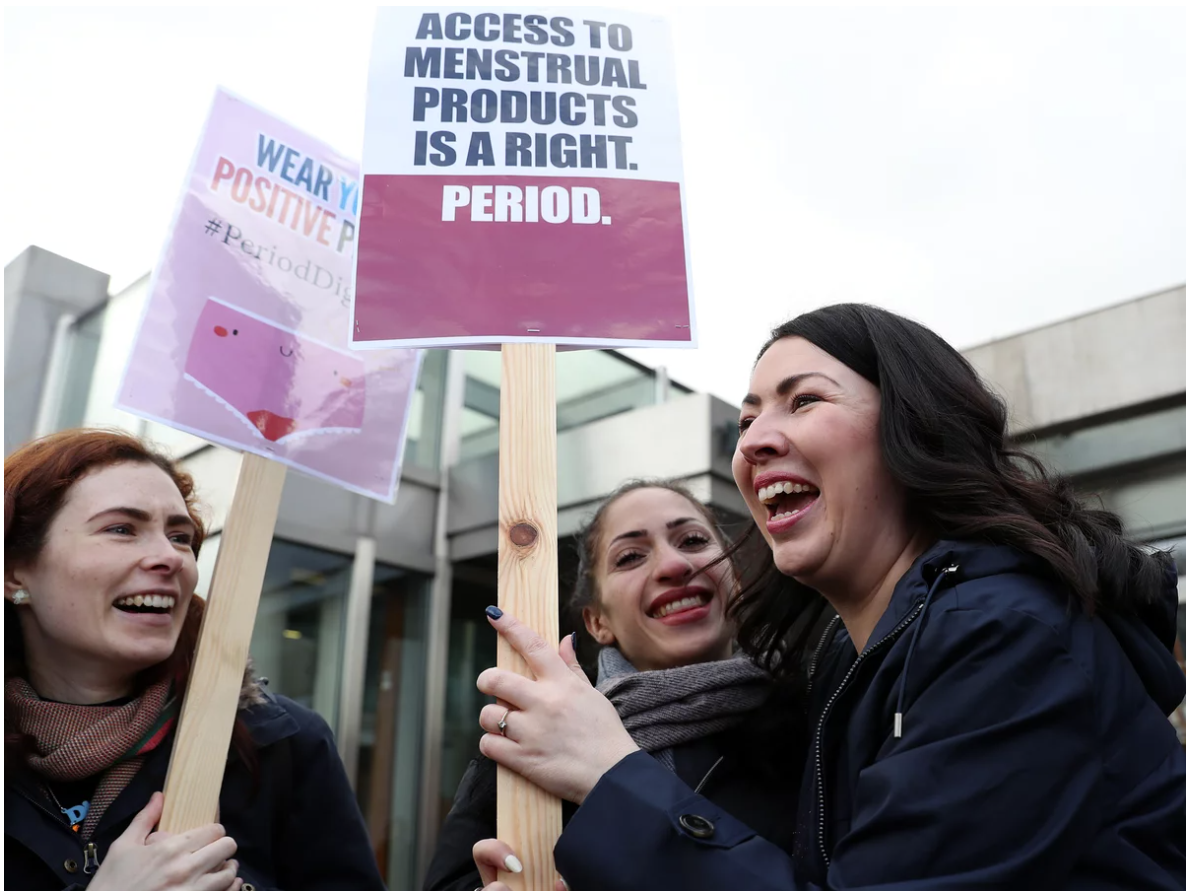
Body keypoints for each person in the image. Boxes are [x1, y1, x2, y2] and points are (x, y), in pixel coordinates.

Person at [471, 304, 1186, 890]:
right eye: (746, 420)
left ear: (913, 423)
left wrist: (610, 774)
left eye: (803, 400)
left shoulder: (1007, 636)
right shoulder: (851, 661)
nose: (752, 443)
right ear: (593, 619)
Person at [4, 428, 386, 891]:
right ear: (13, 572)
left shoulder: (278, 744)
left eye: (180, 536)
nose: (170, 558)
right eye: (121, 529)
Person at [423, 480, 810, 891]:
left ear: (733, 576)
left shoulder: (816, 717)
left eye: (693, 540)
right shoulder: (528, 736)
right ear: (597, 622)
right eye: (630, 557)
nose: (673, 565)